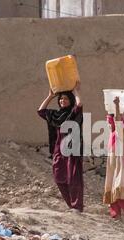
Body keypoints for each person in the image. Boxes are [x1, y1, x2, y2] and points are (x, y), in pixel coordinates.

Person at [37, 81, 84, 213]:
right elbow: (41, 111)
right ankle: (71, 205)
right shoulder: (56, 115)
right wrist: (50, 96)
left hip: (72, 150)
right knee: (59, 177)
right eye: (61, 98)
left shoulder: (74, 113)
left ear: (71, 101)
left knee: (73, 178)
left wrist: (75, 92)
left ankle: (77, 207)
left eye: (66, 99)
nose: (63, 101)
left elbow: (79, 104)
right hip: (59, 149)